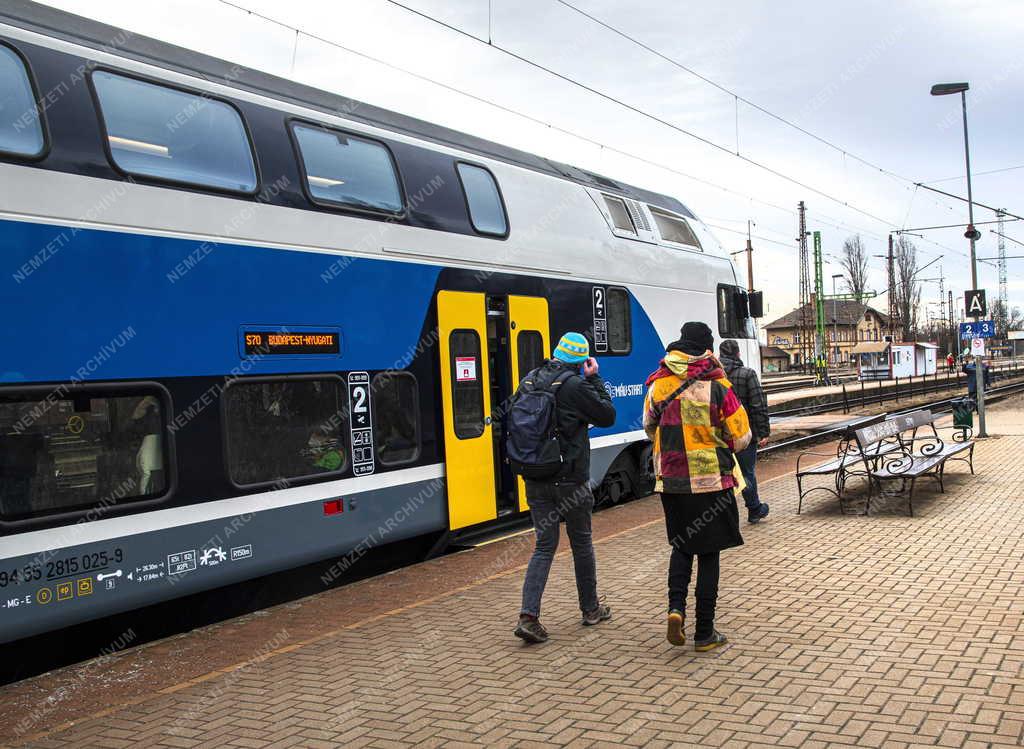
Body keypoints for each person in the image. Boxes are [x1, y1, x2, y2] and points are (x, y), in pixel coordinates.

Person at [643, 322, 752, 651]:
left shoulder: (659, 384)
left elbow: (648, 425)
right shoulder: (717, 385)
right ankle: (705, 632)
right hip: (711, 483)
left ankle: (675, 609)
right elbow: (742, 436)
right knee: (709, 554)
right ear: (707, 347)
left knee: (682, 546)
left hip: (673, 482)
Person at [514, 332, 617, 644]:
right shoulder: (575, 385)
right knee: (581, 544)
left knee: (544, 546)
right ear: (581, 360)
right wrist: (596, 378)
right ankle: (590, 610)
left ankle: (528, 617)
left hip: (534, 475)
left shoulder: (530, 380)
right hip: (569, 479)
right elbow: (608, 416)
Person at [718, 340, 770, 523]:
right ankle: (754, 509)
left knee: (724, 475)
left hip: (721, 435)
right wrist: (763, 432)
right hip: (745, 434)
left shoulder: (714, 377)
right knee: (747, 472)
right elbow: (758, 404)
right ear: (738, 354)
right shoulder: (747, 374)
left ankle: (726, 515)